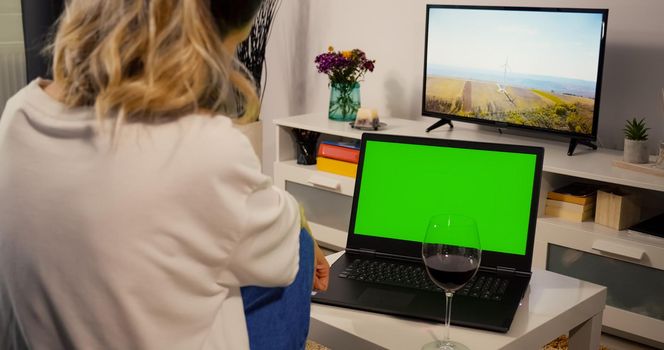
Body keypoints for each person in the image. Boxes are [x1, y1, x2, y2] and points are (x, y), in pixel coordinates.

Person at [0, 0, 329, 349]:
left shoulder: (18, 116)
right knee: (297, 246)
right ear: (218, 37)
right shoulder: (204, 151)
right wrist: (298, 223)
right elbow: (283, 253)